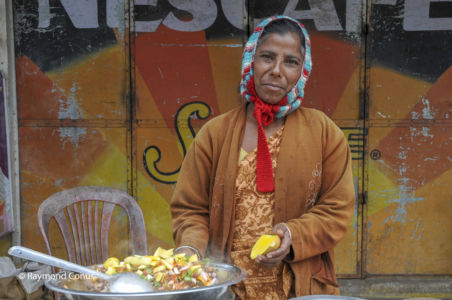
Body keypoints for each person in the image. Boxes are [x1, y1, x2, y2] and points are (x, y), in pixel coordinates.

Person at [170, 15, 355, 299]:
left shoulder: (324, 133)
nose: (277, 71)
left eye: (290, 61)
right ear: (250, 62)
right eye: (267, 57)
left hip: (299, 286)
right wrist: (190, 250)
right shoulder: (214, 134)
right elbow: (190, 209)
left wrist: (292, 235)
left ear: (302, 71)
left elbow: (337, 209)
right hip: (228, 288)